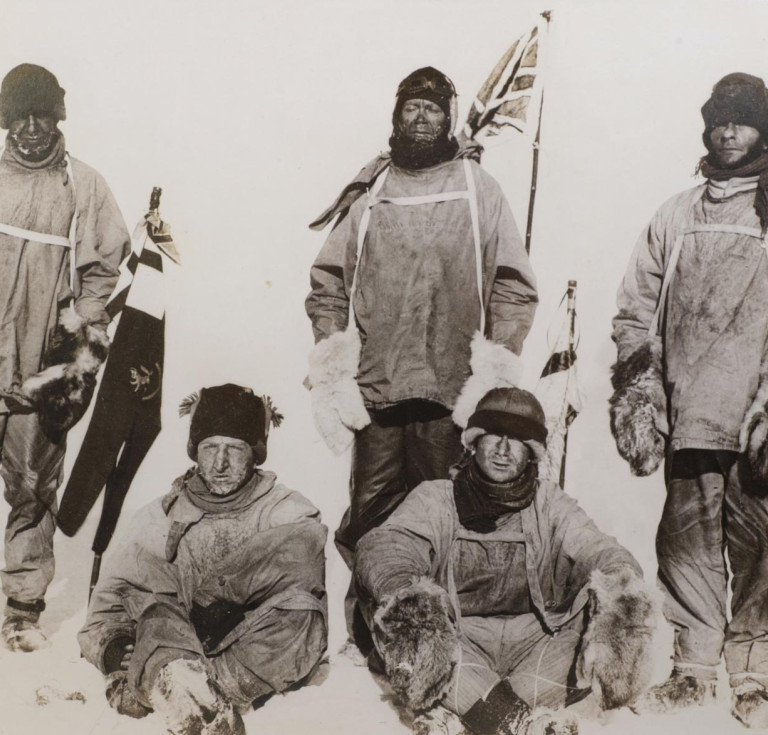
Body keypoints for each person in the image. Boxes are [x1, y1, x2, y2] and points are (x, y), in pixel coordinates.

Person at [305, 66, 538, 650]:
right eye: (411, 106)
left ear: (449, 119)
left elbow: (512, 281)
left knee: (445, 510)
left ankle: (438, 635)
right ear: (395, 115)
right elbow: (329, 280)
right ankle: (371, 632)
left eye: (432, 109)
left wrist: (497, 364)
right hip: (379, 386)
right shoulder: (374, 191)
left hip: (450, 390)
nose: (421, 118)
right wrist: (333, 356)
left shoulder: (476, 186)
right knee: (372, 514)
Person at [355, 388, 654, 735]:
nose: (502, 449)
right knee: (402, 618)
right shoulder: (436, 497)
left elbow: (597, 548)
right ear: (473, 442)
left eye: (517, 440)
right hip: (457, 642)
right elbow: (388, 545)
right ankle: (518, 722)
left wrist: (620, 589)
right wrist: (406, 593)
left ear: (532, 453)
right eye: (494, 435)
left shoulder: (549, 503)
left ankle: (473, 713)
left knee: (600, 608)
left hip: (535, 643)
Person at [611, 72, 768, 728]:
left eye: (742, 119)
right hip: (688, 409)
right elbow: (637, 303)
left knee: (760, 545)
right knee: (687, 542)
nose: (728, 131)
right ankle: (695, 667)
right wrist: (641, 384)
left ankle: (754, 670)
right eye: (718, 120)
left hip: (756, 410)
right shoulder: (676, 214)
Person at [78, 384, 328, 735]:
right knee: (155, 611)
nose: (221, 462)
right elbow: (110, 603)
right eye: (210, 448)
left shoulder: (285, 510)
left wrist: (218, 600)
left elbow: (302, 583)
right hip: (173, 639)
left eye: (235, 449)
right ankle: (183, 686)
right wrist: (114, 646)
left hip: (248, 646)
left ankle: (192, 692)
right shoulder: (158, 517)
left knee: (303, 616)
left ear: (255, 453)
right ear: (195, 452)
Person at [0, 63, 130, 652]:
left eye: (42, 114)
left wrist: (76, 346)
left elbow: (103, 270)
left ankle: (22, 607)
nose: (30, 128)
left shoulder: (83, 186)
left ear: (58, 117)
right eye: (18, 115)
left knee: (32, 485)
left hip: (37, 374)